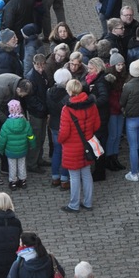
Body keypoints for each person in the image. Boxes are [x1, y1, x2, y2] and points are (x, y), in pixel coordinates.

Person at [58, 78, 100, 213]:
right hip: (87, 145)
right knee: (87, 174)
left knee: (74, 177)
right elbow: (97, 125)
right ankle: (88, 202)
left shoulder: (67, 109)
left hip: (72, 147)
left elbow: (64, 132)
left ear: (70, 91)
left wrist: (60, 140)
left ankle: (74, 205)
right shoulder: (91, 105)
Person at [0, 98, 35, 190]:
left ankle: (13, 181)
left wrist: (0, 149)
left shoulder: (6, 125)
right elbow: (30, 136)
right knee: (22, 164)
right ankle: (23, 180)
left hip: (10, 151)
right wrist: (32, 144)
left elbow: (2, 140)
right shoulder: (25, 123)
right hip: (22, 149)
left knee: (12, 166)